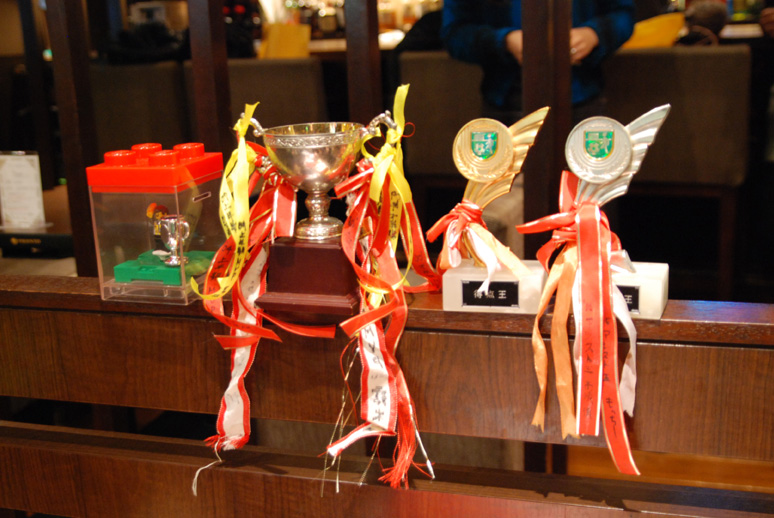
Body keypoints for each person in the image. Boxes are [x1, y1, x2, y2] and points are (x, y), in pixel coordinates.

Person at [441, 0, 636, 125]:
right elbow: (454, 32)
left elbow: (624, 13)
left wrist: (594, 34)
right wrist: (504, 41)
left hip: (582, 96)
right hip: (505, 101)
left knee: (584, 178)